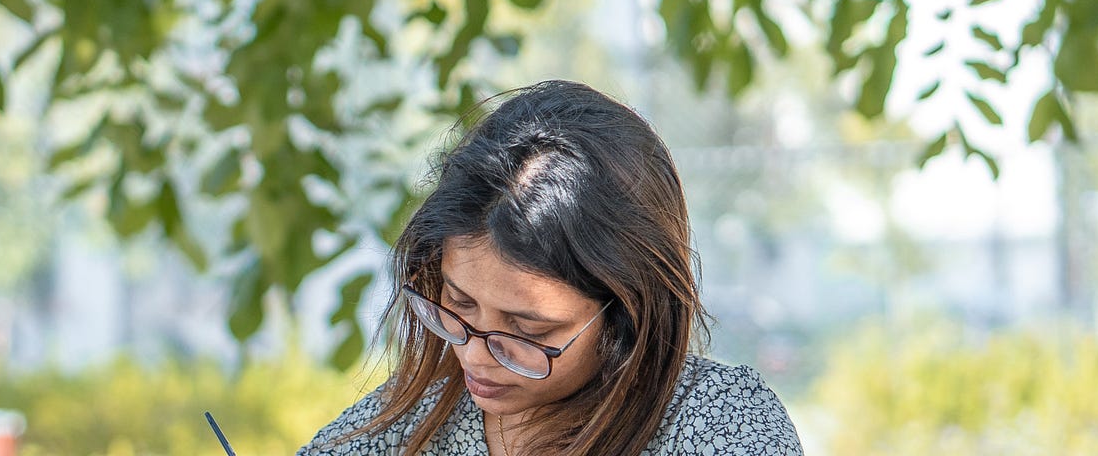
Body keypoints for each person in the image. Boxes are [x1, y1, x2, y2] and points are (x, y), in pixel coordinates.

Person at [298, 80, 802, 455]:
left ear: (628, 314)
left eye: (527, 328)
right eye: (458, 303)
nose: (477, 355)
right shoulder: (403, 427)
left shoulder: (721, 425)